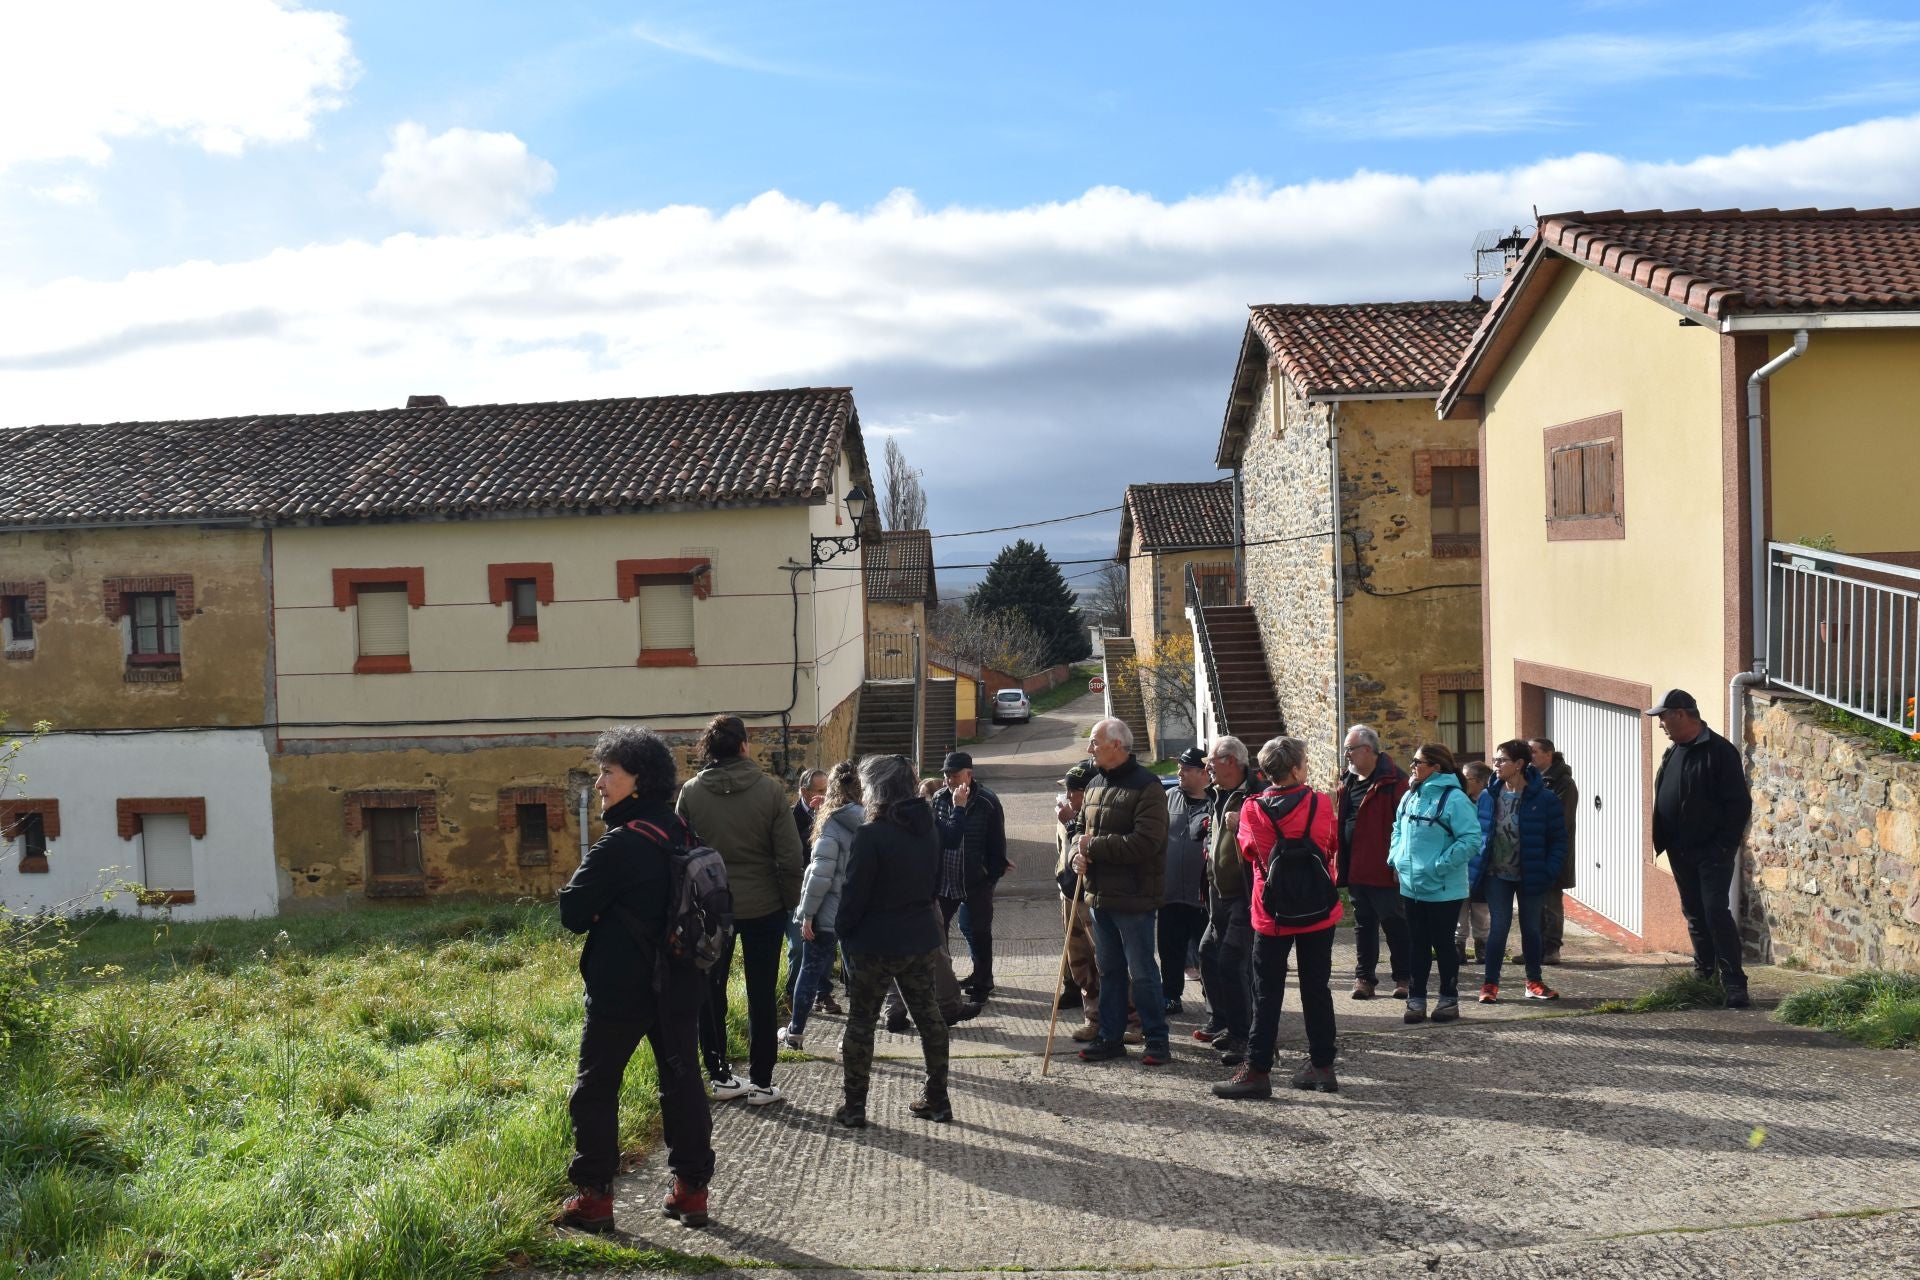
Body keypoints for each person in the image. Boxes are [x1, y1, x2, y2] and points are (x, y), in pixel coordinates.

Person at [557, 726, 714, 1233]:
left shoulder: (620, 844)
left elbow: (573, 910)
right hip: (682, 982)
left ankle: (594, 1201)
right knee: (683, 1083)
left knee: (596, 1088)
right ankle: (691, 1193)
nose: (599, 783)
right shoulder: (683, 833)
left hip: (620, 989)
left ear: (638, 781)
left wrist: (602, 910)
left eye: (608, 773)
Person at [677, 715, 806, 1107]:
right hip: (764, 904)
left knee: (709, 990)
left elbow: (680, 854)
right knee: (761, 992)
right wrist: (790, 903)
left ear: (708, 750)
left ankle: (719, 1075)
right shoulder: (769, 791)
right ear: (744, 746)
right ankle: (763, 1082)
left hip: (710, 908)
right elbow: (789, 854)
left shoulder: (691, 793)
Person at [1214, 735, 1341, 1098]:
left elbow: (1250, 851)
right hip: (1318, 908)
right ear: (1298, 768)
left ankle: (1257, 1070)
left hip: (1272, 914)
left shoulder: (1253, 809)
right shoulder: (1319, 802)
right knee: (1317, 989)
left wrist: (1239, 824)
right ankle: (1322, 1065)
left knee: (1267, 992)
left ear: (1266, 771)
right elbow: (1330, 844)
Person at [834, 753, 953, 1127]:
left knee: (862, 1023)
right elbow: (934, 887)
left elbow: (854, 895)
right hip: (918, 935)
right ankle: (938, 1098)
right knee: (929, 1018)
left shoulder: (870, 835)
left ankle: (854, 1107)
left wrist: (843, 930)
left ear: (878, 789)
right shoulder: (929, 828)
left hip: (875, 942)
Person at [1071, 718, 1172, 1065]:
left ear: (1116, 744)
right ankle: (1110, 1037)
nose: (1089, 749)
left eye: (1095, 742)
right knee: (1109, 971)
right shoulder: (1095, 783)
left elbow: (1146, 843)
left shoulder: (1148, 786)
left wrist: (1093, 847)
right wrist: (1076, 857)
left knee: (1142, 971)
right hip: (1099, 896)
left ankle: (1157, 1038)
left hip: (1135, 897)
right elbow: (1079, 832)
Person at [1649, 689, 1754, 1008]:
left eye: (1663, 717)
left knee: (1714, 912)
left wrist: (1723, 845)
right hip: (1680, 850)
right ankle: (1704, 973)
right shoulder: (1674, 750)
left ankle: (1735, 982)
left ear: (1681, 714)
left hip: (1712, 852)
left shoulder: (1719, 751)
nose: (1661, 724)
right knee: (1694, 912)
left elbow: (1739, 804)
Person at [1388, 743, 1481, 1024]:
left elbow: (1472, 840)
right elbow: (1397, 828)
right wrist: (1395, 858)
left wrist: (1440, 865)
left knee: (1443, 945)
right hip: (1411, 885)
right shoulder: (1411, 795)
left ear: (1436, 767)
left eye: (1417, 761)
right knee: (1417, 944)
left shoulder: (1455, 799)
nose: (1412, 766)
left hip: (1443, 889)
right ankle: (1416, 1000)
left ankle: (1448, 1000)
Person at [1470, 740, 1567, 1004]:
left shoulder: (1545, 798)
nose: (1496, 765)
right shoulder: (1489, 797)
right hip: (1495, 875)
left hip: (1531, 874)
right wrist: (1475, 865)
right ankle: (1490, 985)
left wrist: (1549, 870)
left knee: (1532, 929)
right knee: (1498, 928)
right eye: (1495, 760)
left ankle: (1533, 982)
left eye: (1502, 760)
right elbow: (1477, 833)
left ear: (1519, 764)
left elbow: (1559, 840)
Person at [784, 761, 860, 1050]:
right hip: (856, 912)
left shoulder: (829, 822)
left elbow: (820, 875)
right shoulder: (868, 819)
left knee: (810, 969)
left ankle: (796, 1032)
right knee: (857, 976)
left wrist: (806, 914)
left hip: (827, 911)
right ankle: (854, 1036)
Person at [1195, 735, 1259, 1067]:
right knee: (1208, 953)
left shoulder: (1254, 794)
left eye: (1212, 761)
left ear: (1231, 761)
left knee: (1233, 962)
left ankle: (1244, 1035)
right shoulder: (1218, 794)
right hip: (1219, 894)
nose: (1208, 767)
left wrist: (1244, 823)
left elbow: (1264, 838)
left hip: (1244, 895)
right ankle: (1225, 1020)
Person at [1336, 725, 1412, 1000]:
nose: (1346, 755)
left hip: (1384, 868)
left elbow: (1405, 828)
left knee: (1394, 923)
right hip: (1356, 867)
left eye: (1350, 749)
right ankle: (1364, 978)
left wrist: (1398, 865)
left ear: (1367, 750)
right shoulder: (1347, 780)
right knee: (1363, 923)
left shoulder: (1395, 781)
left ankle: (1404, 977)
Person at [931, 751, 1008, 1002]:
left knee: (979, 931)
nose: (949, 781)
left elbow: (997, 842)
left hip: (976, 880)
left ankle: (983, 982)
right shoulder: (939, 798)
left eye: (954, 775)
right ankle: (944, 983)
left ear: (969, 775)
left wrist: (990, 876)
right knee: (938, 933)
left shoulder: (987, 801)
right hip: (945, 881)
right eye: (946, 775)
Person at [1159, 746, 1211, 1016]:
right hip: (1170, 894)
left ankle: (1212, 1000)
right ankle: (1170, 996)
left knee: (1208, 953)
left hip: (1203, 896)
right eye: (1180, 767)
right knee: (1170, 949)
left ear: (1204, 773)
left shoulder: (1216, 802)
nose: (1179, 772)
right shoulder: (1168, 798)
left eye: (1186, 768)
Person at [786, 767, 841, 1015]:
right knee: (799, 946)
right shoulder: (790, 817)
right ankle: (792, 993)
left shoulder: (834, 815)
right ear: (804, 792)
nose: (826, 795)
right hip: (799, 889)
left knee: (827, 944)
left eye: (828, 790)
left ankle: (823, 993)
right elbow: (793, 850)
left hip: (827, 888)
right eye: (820, 790)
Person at [1054, 760, 1101, 1034]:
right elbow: (1064, 850)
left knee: (1104, 962)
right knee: (1080, 964)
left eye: (1073, 790)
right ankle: (1092, 1019)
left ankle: (1131, 1019)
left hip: (1092, 898)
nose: (1068, 796)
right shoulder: (1067, 812)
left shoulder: (1093, 814)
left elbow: (1083, 843)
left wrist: (1071, 823)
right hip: (1070, 893)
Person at [1528, 738, 1579, 966]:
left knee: (1551, 901)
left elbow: (1560, 820)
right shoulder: (1529, 778)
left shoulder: (1564, 783)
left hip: (1553, 852)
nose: (1530, 756)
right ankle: (1534, 949)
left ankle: (1552, 949)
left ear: (1549, 754)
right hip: (1532, 850)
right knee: (1533, 903)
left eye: (1534, 752)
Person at [1453, 761, 1494, 962]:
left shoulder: (1490, 801)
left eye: (1466, 778)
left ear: (1479, 781)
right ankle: (1458, 946)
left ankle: (1482, 946)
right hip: (1462, 864)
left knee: (1480, 910)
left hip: (1481, 865)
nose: (1462, 781)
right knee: (1460, 909)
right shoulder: (1460, 800)